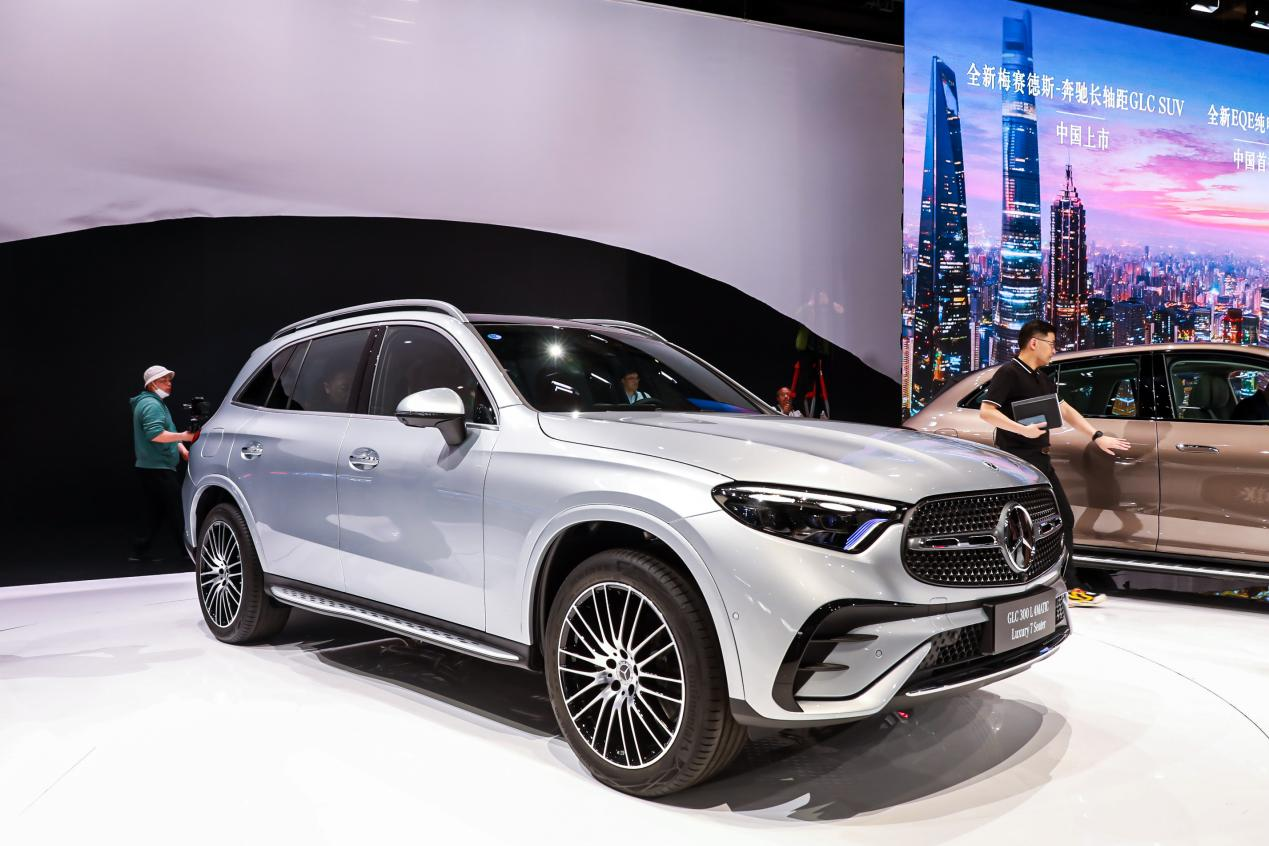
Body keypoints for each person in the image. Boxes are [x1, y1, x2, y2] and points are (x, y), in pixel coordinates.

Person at [978, 320, 1131, 608]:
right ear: (1033, 343)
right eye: (1051, 344)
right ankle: (1059, 586)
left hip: (1039, 458)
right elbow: (987, 412)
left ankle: (1061, 585)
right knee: (1028, 526)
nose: (1054, 350)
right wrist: (1022, 430)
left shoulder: (1041, 378)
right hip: (1018, 461)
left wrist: (1096, 436)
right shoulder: (1010, 372)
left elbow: (1064, 409)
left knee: (1059, 520)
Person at [130, 365, 196, 564]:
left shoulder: (154, 403)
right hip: (157, 468)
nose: (169, 384)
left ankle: (140, 550)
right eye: (163, 380)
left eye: (169, 380)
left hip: (153, 467)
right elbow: (156, 434)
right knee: (175, 509)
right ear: (152, 384)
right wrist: (185, 436)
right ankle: (187, 551)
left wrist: (182, 449)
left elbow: (167, 431)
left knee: (156, 511)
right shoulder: (152, 405)